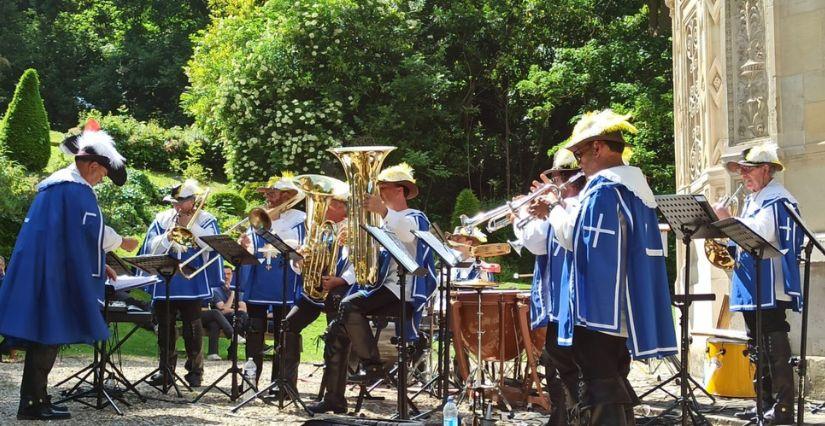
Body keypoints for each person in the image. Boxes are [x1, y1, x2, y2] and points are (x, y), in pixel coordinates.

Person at [544, 109, 677, 425]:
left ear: (599, 148)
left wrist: (553, 209)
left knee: (599, 377)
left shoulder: (604, 189)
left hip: (600, 306)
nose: (578, 162)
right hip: (624, 303)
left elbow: (575, 237)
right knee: (612, 372)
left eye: (580, 153)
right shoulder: (634, 188)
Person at [0, 126, 127, 420]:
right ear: (93, 165)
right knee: (48, 333)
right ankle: (32, 404)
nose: (100, 180)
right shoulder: (76, 190)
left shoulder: (55, 186)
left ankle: (38, 398)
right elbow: (90, 231)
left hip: (43, 267)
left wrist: (99, 259)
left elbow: (68, 236)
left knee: (45, 332)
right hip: (53, 273)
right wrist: (121, 243)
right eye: (101, 175)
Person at [307, 163, 436, 414]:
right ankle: (335, 399)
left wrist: (383, 212)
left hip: (403, 289)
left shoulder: (415, 217)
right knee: (336, 331)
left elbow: (408, 235)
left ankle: (372, 363)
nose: (378, 193)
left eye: (383, 188)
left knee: (349, 305)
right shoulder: (385, 219)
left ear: (400, 190)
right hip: (383, 286)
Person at [714, 142, 803, 424]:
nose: (743, 177)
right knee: (756, 343)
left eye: (748, 171)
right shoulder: (755, 199)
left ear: (766, 170)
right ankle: (762, 402)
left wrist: (728, 221)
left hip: (769, 283)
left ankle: (782, 408)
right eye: (741, 172)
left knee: (773, 340)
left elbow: (763, 233)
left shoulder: (777, 199)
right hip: (752, 281)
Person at [519, 148, 584, 425]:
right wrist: (528, 215)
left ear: (564, 179)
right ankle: (562, 416)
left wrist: (535, 212)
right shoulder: (560, 206)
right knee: (554, 359)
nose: (552, 184)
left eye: (555, 178)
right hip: (558, 298)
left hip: (574, 298)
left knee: (571, 362)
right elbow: (537, 243)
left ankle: (577, 416)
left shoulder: (580, 204)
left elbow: (538, 241)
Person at [138, 179, 223, 388]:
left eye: (181, 203)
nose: (176, 207)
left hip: (191, 280)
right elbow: (150, 246)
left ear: (193, 201)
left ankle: (195, 371)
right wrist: (168, 235)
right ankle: (165, 370)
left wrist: (190, 227)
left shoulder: (206, 219)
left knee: (192, 327)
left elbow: (213, 246)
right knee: (164, 326)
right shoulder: (162, 218)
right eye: (174, 203)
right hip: (165, 278)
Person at [281, 185, 354, 398]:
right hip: (314, 291)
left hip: (340, 290)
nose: (326, 208)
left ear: (343, 208)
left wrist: (340, 280)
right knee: (288, 326)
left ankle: (332, 396)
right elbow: (304, 261)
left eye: (331, 204)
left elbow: (356, 263)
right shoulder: (319, 228)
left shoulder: (352, 229)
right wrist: (301, 261)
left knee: (335, 338)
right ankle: (287, 386)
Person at [237, 172, 306, 385]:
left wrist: (274, 223)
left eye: (273, 193)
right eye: (267, 193)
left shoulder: (298, 219)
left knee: (282, 332)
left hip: (284, 280)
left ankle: (281, 381)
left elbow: (297, 247)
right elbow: (252, 248)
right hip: (259, 279)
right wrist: (244, 245)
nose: (268, 198)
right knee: (254, 330)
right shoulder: (259, 217)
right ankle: (250, 379)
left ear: (288, 195)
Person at [203, 266, 248, 361]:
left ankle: (232, 352)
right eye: (224, 274)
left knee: (240, 317)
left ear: (232, 275)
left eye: (229, 274)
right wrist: (232, 294)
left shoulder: (237, 288)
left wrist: (233, 309)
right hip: (218, 317)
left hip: (228, 318)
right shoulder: (216, 289)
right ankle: (232, 336)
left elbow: (243, 309)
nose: (226, 277)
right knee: (214, 323)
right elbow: (223, 308)